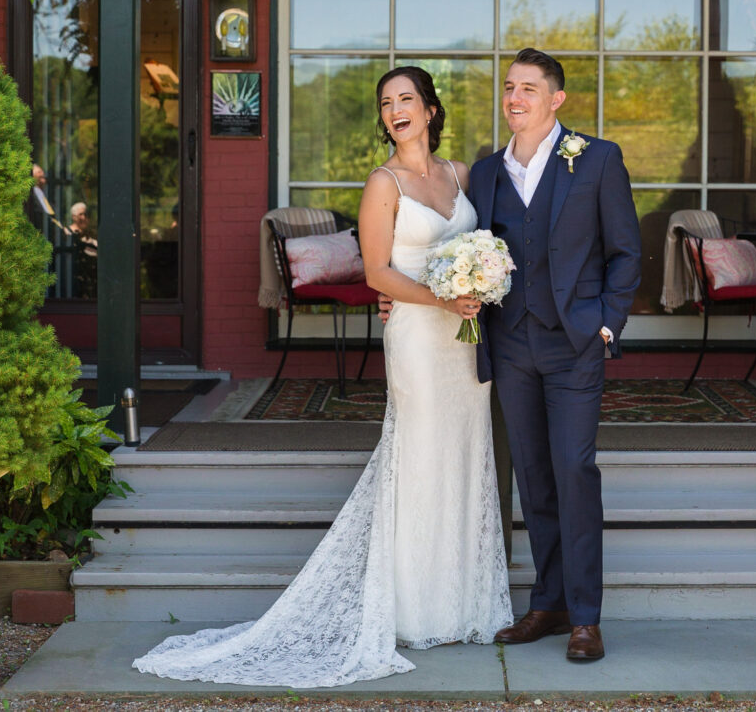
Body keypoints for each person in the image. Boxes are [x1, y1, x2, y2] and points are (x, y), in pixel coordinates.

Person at [132, 66, 512, 688]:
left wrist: (481, 281)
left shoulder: (458, 176)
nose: (396, 111)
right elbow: (378, 274)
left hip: (465, 339)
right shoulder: (382, 183)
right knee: (418, 456)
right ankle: (412, 609)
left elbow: (483, 244)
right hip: (419, 336)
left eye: (407, 100)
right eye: (386, 104)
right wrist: (440, 300)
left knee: (464, 457)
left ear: (432, 109)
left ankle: (464, 604)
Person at [469, 48, 640, 661]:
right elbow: (464, 250)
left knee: (574, 471)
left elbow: (626, 252)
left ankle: (586, 617)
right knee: (535, 478)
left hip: (574, 344)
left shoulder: (597, 159)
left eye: (528, 89)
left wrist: (605, 324)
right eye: (509, 88)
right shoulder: (485, 173)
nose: (514, 98)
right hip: (511, 343)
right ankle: (548, 603)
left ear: (556, 99)